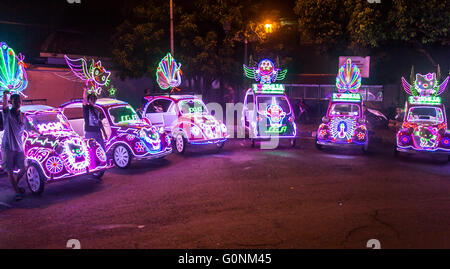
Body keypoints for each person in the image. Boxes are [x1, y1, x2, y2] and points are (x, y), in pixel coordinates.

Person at [1, 91, 26, 201]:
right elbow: (5, 106)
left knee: (24, 168)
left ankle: (15, 185)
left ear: (21, 103)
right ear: (12, 102)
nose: (17, 103)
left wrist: (41, 134)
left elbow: (29, 127)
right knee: (10, 171)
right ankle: (17, 192)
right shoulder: (8, 113)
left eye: (18, 101)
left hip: (19, 147)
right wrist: (5, 95)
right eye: (14, 101)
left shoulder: (22, 115)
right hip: (8, 147)